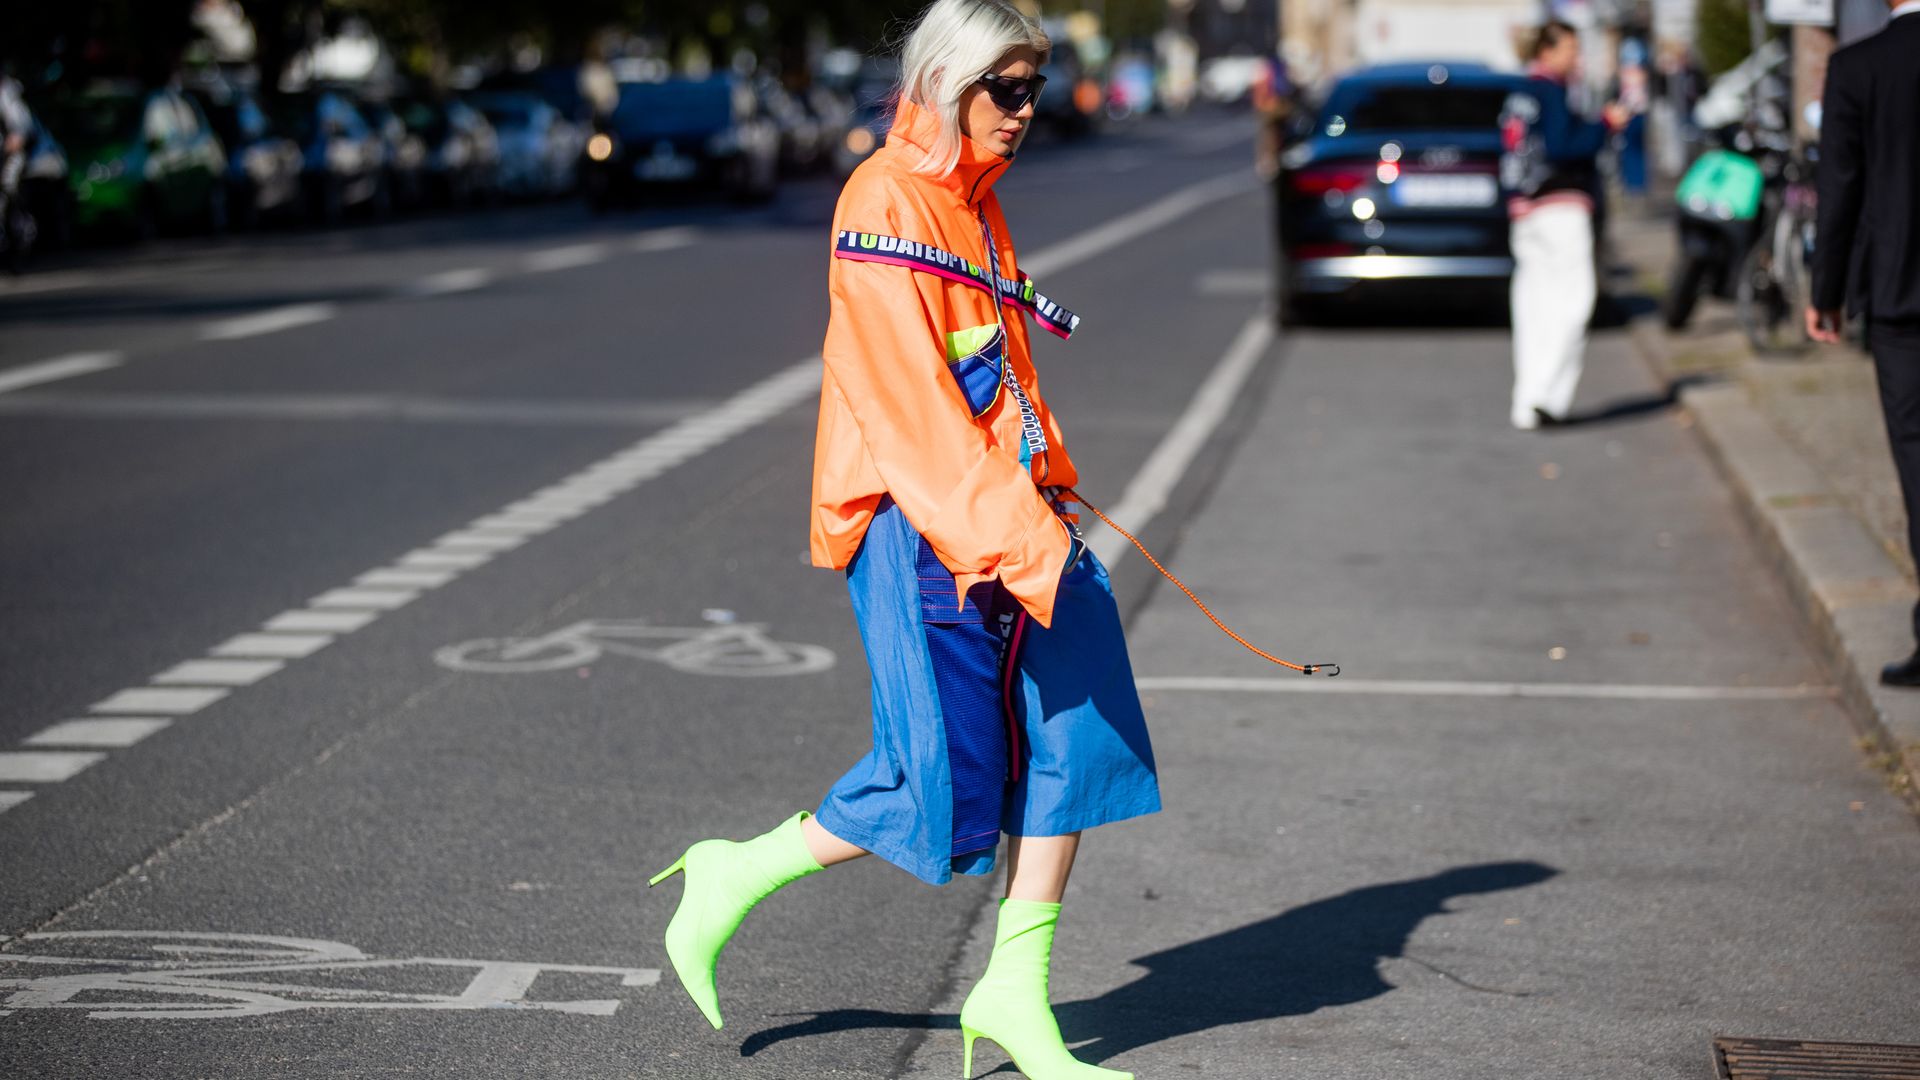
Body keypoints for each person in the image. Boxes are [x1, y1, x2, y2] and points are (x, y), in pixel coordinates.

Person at [648, 2, 1160, 1077]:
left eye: (1034, 90)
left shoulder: (971, 199)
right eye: (1005, 90)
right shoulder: (884, 199)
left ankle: (1015, 997)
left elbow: (998, 380)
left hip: (1007, 510)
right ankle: (733, 873)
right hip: (923, 528)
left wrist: (1045, 493)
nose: (1024, 113)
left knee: (1077, 727)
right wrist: (1025, 539)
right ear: (946, 78)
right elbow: (912, 416)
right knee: (940, 782)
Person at [1807, 0, 1920, 685]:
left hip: (1901, 293)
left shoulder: (1859, 66)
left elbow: (1840, 186)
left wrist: (1828, 293)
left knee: (1917, 459)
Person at [1501, 21, 1630, 430]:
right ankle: (1548, 397)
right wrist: (1605, 124)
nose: (1578, 58)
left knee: (1533, 308)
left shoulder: (1518, 94)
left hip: (1524, 210)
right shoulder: (1550, 91)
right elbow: (1564, 146)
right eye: (1572, 49)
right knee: (1574, 302)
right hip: (1560, 205)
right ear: (1548, 51)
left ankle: (1526, 400)